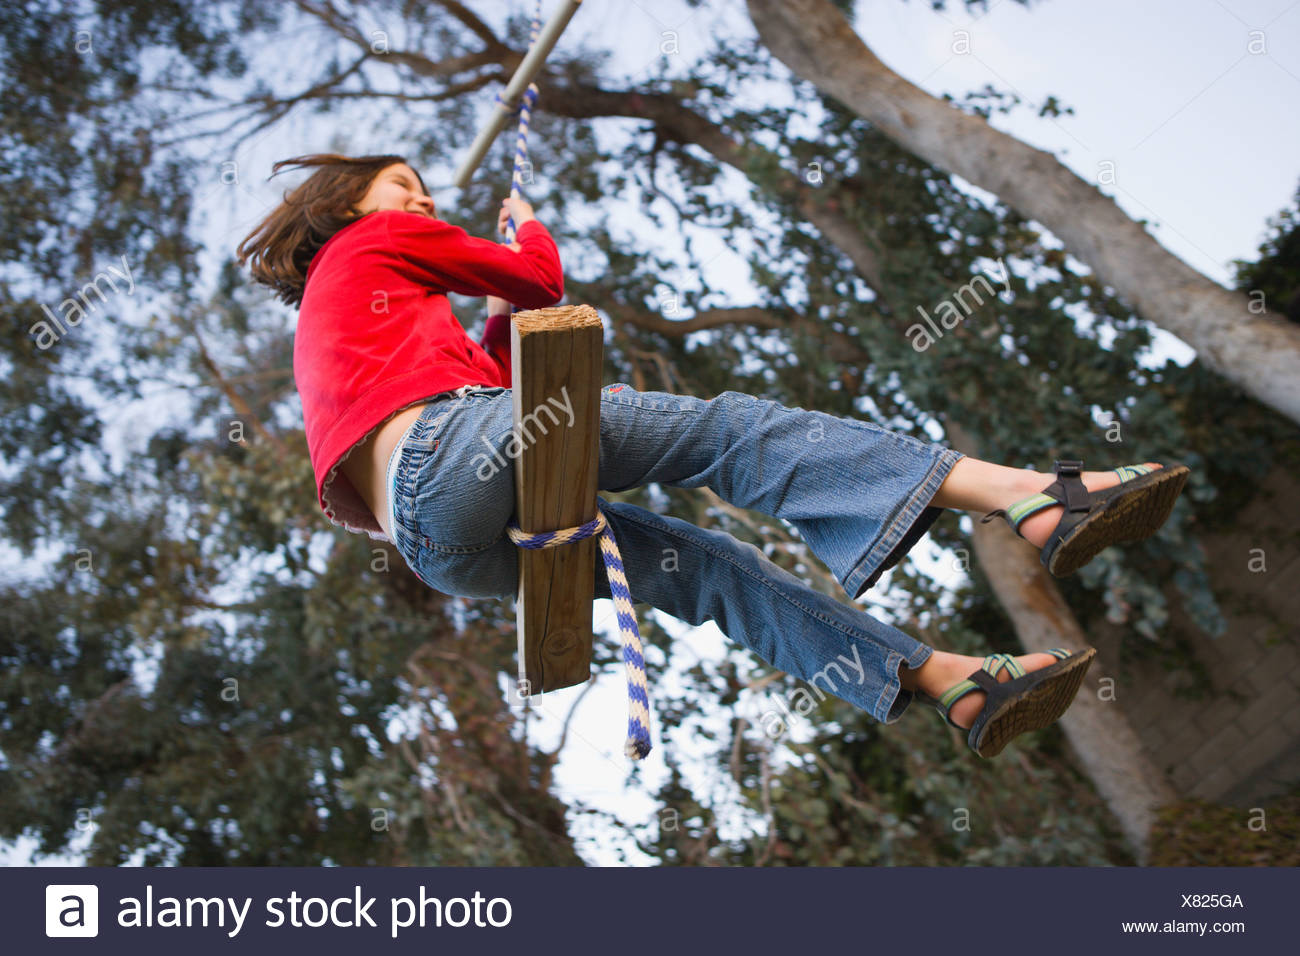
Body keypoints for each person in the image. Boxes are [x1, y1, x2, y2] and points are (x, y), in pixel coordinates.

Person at [237, 153, 1190, 758]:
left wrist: (490, 306)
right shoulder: (377, 238)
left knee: (707, 572)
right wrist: (522, 230)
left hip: (444, 545)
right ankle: (1034, 496)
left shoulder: (353, 317)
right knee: (736, 433)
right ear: (349, 202)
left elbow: (487, 371)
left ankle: (948, 683)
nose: (424, 199)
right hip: (455, 453)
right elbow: (539, 281)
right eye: (407, 186)